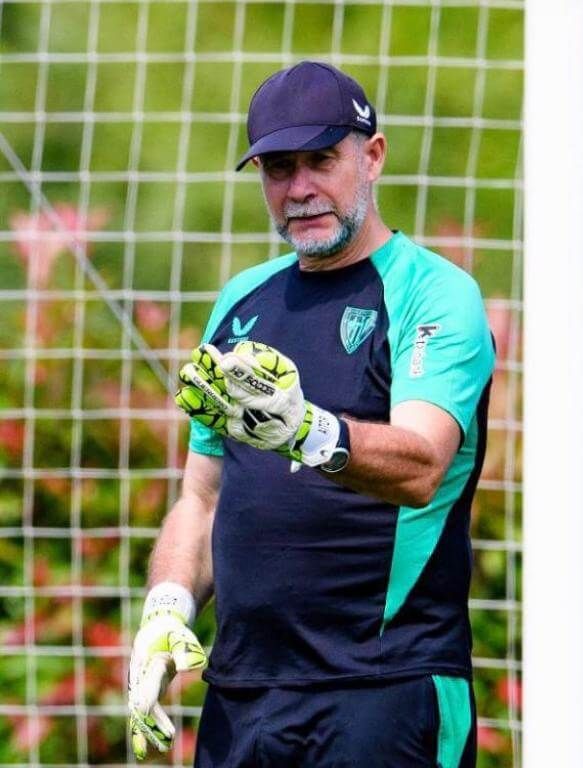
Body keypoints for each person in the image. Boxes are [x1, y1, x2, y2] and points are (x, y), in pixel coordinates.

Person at [126, 61, 494, 768]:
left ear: (373, 156)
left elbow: (421, 463)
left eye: (322, 160)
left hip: (385, 691)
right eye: (277, 168)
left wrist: (307, 430)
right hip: (244, 697)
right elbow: (201, 496)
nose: (299, 189)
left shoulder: (436, 293)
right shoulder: (241, 299)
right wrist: (167, 607)